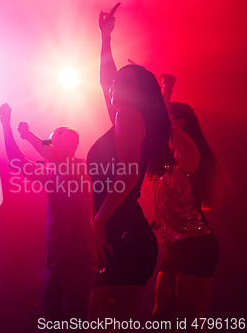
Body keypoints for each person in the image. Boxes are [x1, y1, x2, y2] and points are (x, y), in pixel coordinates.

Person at [87, 5, 173, 327]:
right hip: (117, 233)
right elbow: (105, 79)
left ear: (142, 95)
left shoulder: (129, 116)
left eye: (126, 81)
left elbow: (128, 174)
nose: (113, 85)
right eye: (116, 82)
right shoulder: (127, 119)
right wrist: (105, 38)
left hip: (122, 234)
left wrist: (98, 220)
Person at [0, 103, 95, 332]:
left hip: (78, 259)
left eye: (55, 139)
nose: (51, 143)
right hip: (55, 262)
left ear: (71, 144)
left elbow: (52, 154)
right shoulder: (53, 174)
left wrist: (29, 135)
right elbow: (17, 161)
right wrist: (5, 126)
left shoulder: (81, 168)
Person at [151, 74, 223, 332]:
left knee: (188, 323)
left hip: (197, 245)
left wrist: (165, 90)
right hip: (175, 247)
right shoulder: (167, 158)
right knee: (160, 317)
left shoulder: (191, 153)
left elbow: (162, 124)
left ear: (177, 122)